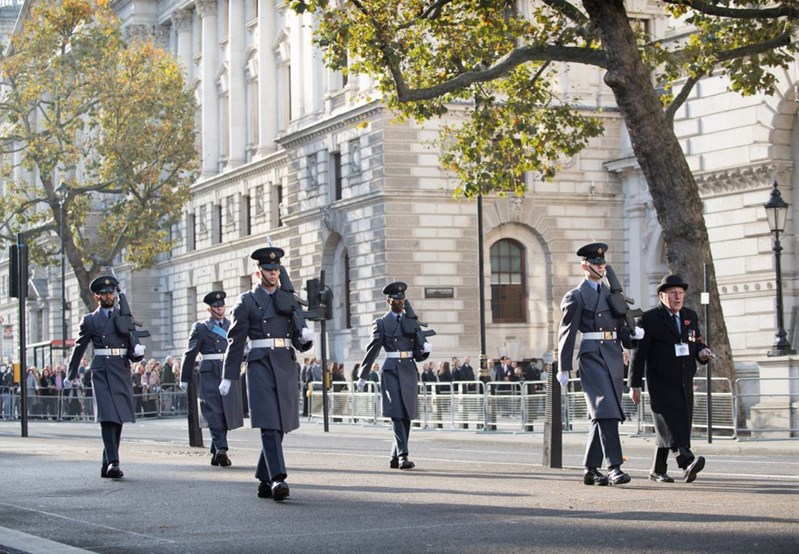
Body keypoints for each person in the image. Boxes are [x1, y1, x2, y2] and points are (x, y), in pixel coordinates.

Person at [221, 246, 313, 501]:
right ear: (258, 272)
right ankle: (278, 479)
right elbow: (235, 341)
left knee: (281, 424)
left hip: (285, 364)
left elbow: (297, 336)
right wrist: (228, 375)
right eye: (268, 270)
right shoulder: (247, 301)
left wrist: (305, 339)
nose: (273, 273)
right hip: (260, 365)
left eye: (276, 270)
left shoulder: (288, 299)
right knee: (269, 424)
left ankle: (264, 477)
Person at [557, 243, 643, 486]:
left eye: (603, 263)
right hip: (592, 354)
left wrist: (633, 336)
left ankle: (591, 469)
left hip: (613, 355)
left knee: (603, 413)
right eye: (596, 263)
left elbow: (620, 326)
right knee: (606, 409)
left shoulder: (611, 293)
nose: (601, 267)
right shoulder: (576, 296)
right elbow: (567, 332)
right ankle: (614, 466)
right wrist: (564, 366)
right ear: (585, 266)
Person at [628, 274, 713, 484]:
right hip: (660, 382)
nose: (678, 297)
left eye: (681, 293)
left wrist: (702, 352)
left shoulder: (690, 316)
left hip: (683, 380)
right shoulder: (649, 319)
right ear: (662, 296)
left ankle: (657, 469)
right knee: (670, 423)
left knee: (676, 423)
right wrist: (634, 385)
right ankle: (686, 461)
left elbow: (696, 341)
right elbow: (638, 355)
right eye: (673, 293)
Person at [67, 275, 146, 479]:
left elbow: (132, 346)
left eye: (111, 293)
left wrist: (137, 353)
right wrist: (71, 373)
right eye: (104, 294)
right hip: (102, 370)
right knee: (107, 416)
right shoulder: (90, 320)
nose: (108, 296)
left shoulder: (124, 316)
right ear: (97, 297)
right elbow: (79, 348)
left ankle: (107, 463)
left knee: (118, 418)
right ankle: (113, 462)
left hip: (121, 369)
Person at [356, 282, 432, 470]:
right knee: (397, 414)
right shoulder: (382, 323)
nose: (400, 302)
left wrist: (425, 351)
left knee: (407, 415)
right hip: (391, 370)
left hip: (409, 369)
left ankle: (394, 456)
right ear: (388, 301)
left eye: (402, 299)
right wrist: (363, 375)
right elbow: (373, 349)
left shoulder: (410, 320)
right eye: (396, 299)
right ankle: (403, 456)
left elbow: (417, 353)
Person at [180, 290, 244, 467]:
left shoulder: (231, 325)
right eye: (216, 306)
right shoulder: (201, 327)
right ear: (209, 309)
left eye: (221, 305)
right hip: (209, 372)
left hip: (228, 370)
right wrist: (185, 377)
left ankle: (216, 452)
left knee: (226, 411)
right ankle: (222, 449)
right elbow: (191, 352)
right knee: (213, 410)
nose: (220, 309)